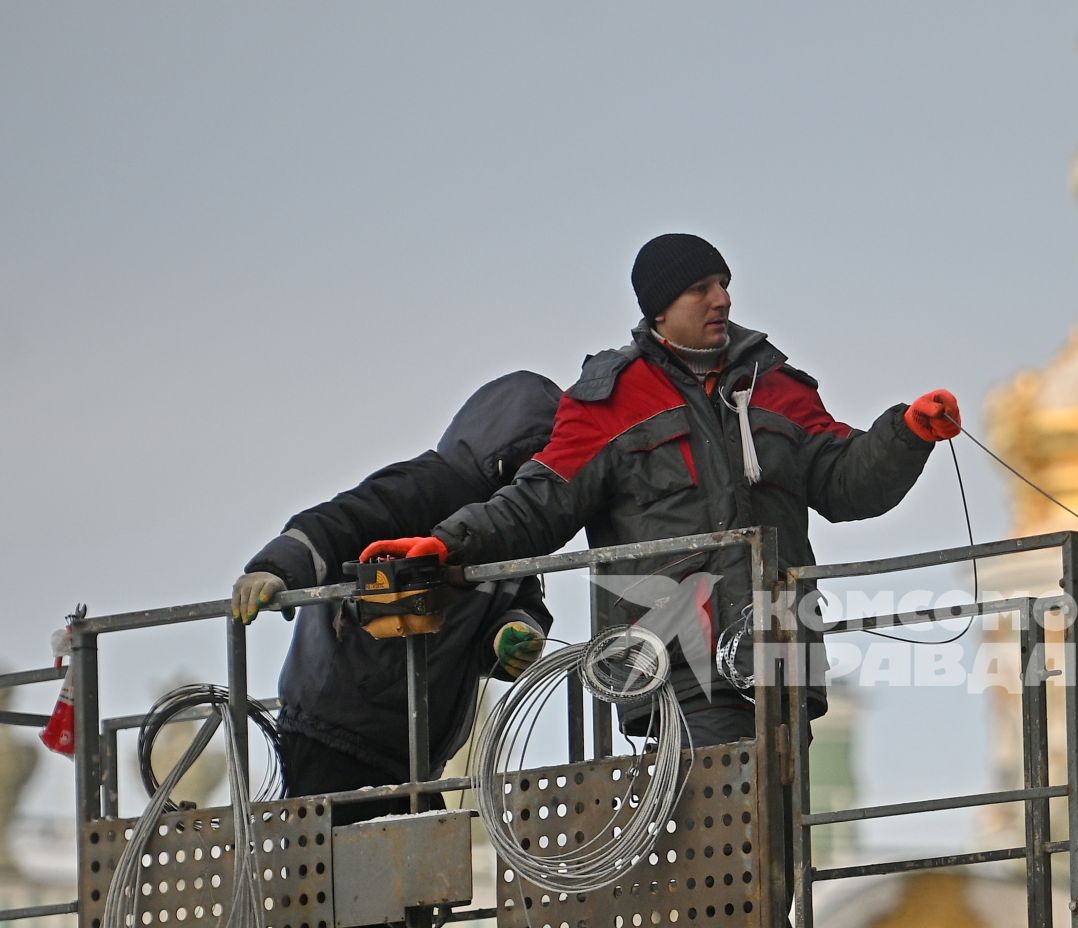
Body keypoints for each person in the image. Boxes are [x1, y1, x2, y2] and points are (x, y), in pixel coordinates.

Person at [363, 233, 962, 747]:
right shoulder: (613, 399)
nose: (722, 299)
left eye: (724, 284)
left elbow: (845, 482)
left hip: (781, 655)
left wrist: (906, 434)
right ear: (659, 308)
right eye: (700, 288)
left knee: (775, 848)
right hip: (679, 667)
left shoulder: (776, 386)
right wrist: (447, 543)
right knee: (725, 839)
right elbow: (540, 501)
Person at [232, 371, 563, 822]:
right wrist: (276, 567)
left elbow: (521, 602)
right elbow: (335, 523)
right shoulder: (422, 487)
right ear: (513, 457)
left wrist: (514, 633)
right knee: (328, 880)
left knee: (421, 884)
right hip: (334, 733)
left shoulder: (511, 532)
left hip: (415, 757)